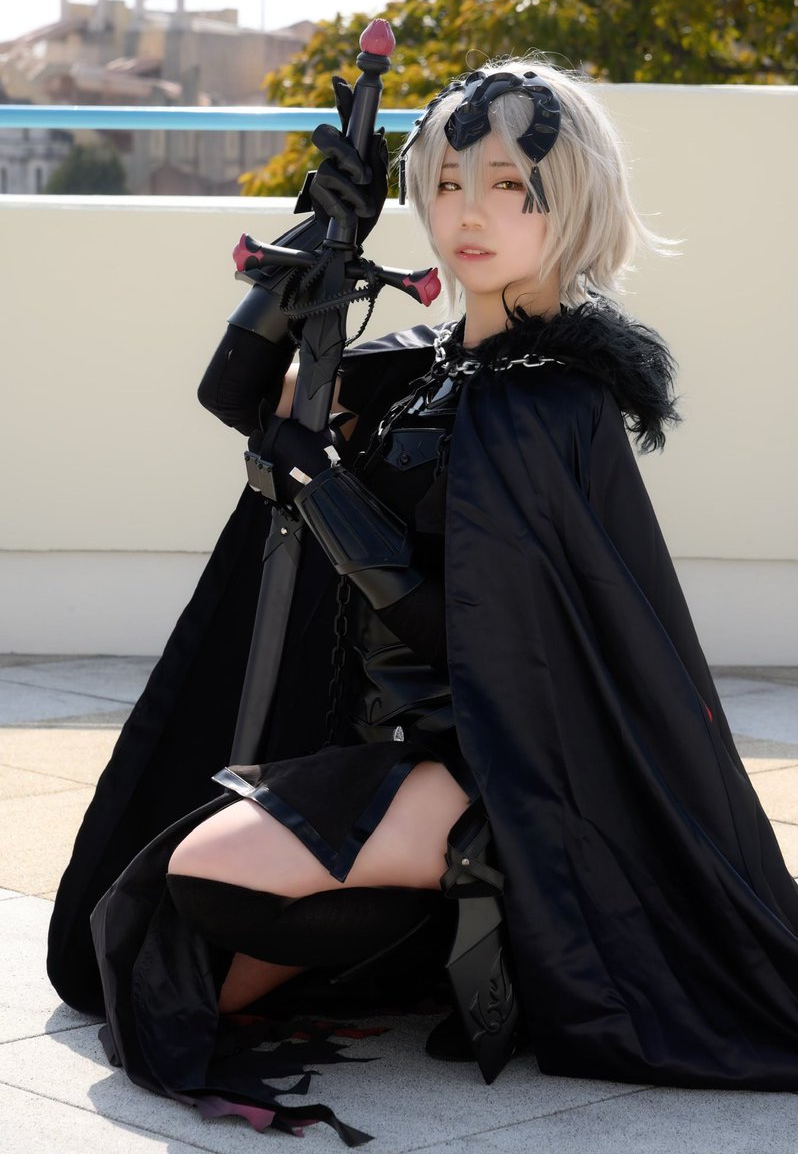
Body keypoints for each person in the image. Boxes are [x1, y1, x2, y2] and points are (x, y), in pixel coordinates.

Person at [48, 56, 798, 1147]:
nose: (469, 214)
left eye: (508, 185)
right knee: (160, 965)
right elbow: (236, 394)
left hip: (497, 771)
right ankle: (429, 929)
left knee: (207, 874)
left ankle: (486, 884)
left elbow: (470, 632)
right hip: (382, 745)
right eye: (447, 183)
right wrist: (316, 245)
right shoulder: (422, 368)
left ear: (572, 200)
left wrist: (322, 485)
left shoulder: (555, 405)